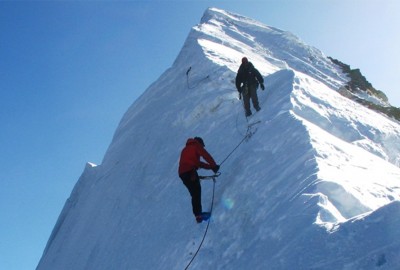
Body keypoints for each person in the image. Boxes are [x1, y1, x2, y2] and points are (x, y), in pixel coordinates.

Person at [178, 137, 220, 223]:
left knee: (194, 194)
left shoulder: (186, 149)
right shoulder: (196, 145)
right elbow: (206, 155)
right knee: (196, 192)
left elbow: (199, 163)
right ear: (200, 143)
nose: (202, 148)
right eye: (202, 146)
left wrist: (211, 167)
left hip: (182, 174)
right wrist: (214, 165)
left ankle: (198, 216)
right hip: (191, 171)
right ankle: (199, 215)